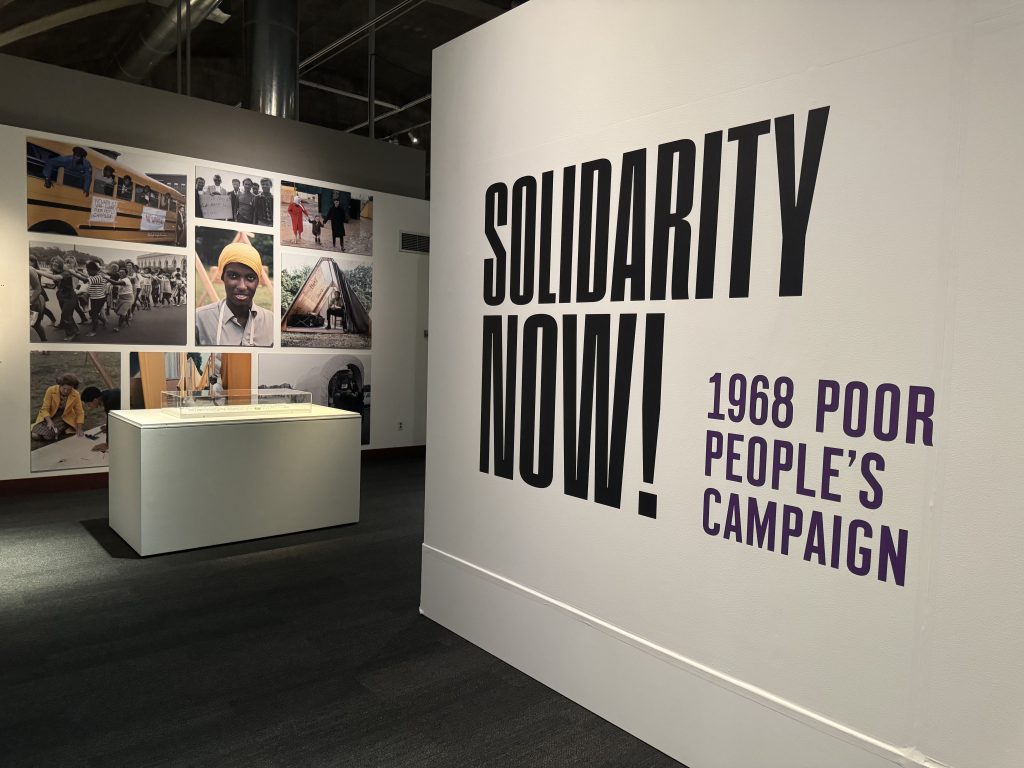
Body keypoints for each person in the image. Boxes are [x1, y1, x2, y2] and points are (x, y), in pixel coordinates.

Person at [194, 241, 274, 347]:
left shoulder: (272, 322)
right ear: (222, 277)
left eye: (250, 277)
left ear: (257, 281)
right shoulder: (199, 320)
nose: (242, 286)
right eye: (233, 276)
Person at [31, 373, 85, 443]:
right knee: (35, 435)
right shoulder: (51, 390)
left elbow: (80, 413)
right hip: (48, 416)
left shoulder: (76, 394)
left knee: (48, 437)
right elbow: (44, 409)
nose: (66, 391)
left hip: (64, 417)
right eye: (64, 388)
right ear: (60, 385)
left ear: (73, 387)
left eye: (69, 389)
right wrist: (49, 421)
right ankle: (49, 430)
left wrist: (79, 429)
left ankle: (63, 427)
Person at [80, 386, 121, 453]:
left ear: (95, 400)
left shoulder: (111, 401)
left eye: (88, 404)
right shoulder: (106, 396)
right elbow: (111, 419)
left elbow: (113, 422)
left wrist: (108, 444)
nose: (89, 407)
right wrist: (108, 427)